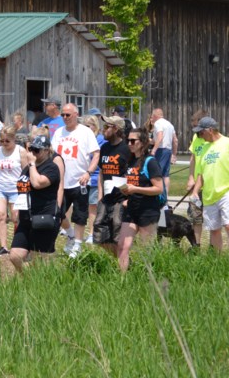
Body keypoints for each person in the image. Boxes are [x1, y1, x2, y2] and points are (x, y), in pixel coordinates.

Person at [50, 103, 100, 258]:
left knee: (80, 214)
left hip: (80, 180)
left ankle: (78, 243)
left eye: (68, 115)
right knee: (57, 212)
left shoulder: (85, 132)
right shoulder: (59, 132)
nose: (65, 118)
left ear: (76, 114)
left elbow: (96, 154)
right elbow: (52, 153)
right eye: (63, 115)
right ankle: (71, 236)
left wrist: (88, 172)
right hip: (61, 181)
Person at [9, 135, 62, 273]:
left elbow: (37, 183)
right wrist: (16, 208)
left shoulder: (51, 168)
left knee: (38, 260)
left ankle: (39, 285)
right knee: (15, 255)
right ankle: (27, 278)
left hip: (44, 217)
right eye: (31, 149)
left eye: (37, 150)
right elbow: (22, 187)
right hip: (26, 217)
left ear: (46, 151)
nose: (32, 153)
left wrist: (32, 164)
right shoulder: (27, 168)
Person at [116, 128, 164, 272]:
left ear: (143, 143)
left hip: (148, 210)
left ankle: (149, 278)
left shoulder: (150, 162)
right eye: (127, 141)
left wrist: (136, 189)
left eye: (133, 141)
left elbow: (159, 188)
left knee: (146, 250)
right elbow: (131, 183)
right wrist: (126, 194)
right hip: (131, 209)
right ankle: (122, 279)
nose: (129, 144)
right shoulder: (130, 161)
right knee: (122, 245)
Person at [0, 125, 29, 256]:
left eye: (7, 141)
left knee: (16, 217)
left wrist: (25, 190)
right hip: (0, 187)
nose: (4, 144)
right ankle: (3, 246)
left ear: (14, 139)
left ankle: (18, 245)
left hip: (16, 188)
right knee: (1, 215)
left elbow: (26, 171)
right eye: (2, 141)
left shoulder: (20, 151)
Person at [190, 117, 229, 251]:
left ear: (210, 130)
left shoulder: (226, 143)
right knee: (214, 229)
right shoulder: (205, 148)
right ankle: (218, 262)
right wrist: (195, 191)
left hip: (225, 191)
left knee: (228, 225)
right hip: (209, 195)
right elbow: (201, 173)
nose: (200, 136)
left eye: (201, 133)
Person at [93, 115, 130, 255]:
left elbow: (131, 174)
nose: (103, 130)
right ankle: (119, 259)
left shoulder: (126, 149)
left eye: (106, 127)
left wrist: (128, 196)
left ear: (116, 129)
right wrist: (100, 196)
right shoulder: (105, 148)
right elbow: (102, 173)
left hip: (121, 199)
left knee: (117, 235)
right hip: (106, 199)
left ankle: (123, 263)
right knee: (99, 235)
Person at [186, 108, 210, 244]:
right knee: (195, 216)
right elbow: (193, 158)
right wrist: (190, 178)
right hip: (196, 185)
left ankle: (214, 249)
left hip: (209, 184)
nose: (196, 131)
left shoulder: (211, 139)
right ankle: (197, 245)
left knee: (213, 219)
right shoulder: (196, 137)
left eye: (197, 128)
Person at [150, 108, 177, 196]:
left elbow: (160, 137)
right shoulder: (170, 124)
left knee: (157, 173)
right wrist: (174, 154)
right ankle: (165, 197)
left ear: (155, 116)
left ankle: (158, 195)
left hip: (160, 150)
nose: (151, 118)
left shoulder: (158, 123)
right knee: (166, 175)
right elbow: (175, 140)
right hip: (168, 150)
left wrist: (154, 149)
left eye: (152, 116)